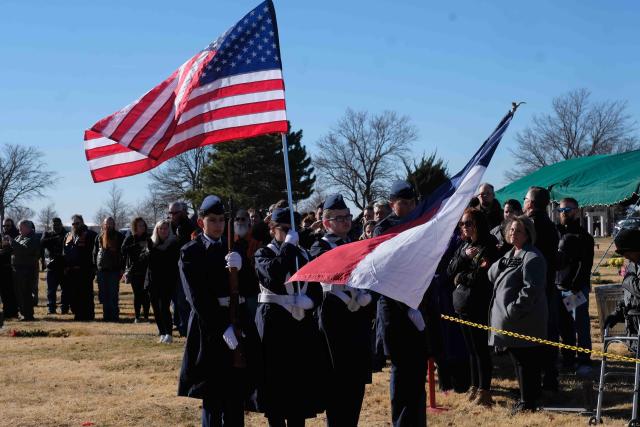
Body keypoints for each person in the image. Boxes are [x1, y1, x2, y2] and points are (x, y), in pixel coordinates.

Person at [178, 195, 261, 427]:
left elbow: (251, 289)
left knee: (236, 398)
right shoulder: (191, 252)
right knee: (213, 399)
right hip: (210, 330)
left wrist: (243, 267)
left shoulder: (235, 248)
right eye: (212, 220)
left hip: (237, 323)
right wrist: (222, 327)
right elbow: (197, 298)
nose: (218, 225)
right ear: (201, 222)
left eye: (221, 220)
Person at [255, 207, 327, 426]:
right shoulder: (263, 253)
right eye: (284, 230)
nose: (289, 234)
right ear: (272, 229)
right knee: (276, 389)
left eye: (292, 230)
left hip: (300, 325)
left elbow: (315, 287)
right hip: (274, 324)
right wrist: (287, 246)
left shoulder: (304, 254)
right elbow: (273, 275)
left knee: (298, 391)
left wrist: (312, 301)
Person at [311, 194, 373, 427]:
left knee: (355, 384)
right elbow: (327, 270)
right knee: (337, 385)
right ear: (326, 223)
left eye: (348, 216)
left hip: (356, 316)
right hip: (333, 316)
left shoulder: (354, 243)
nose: (346, 221)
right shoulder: (320, 244)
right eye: (339, 218)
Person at [374, 181, 429, 427]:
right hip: (395, 310)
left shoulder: (421, 224)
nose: (407, 207)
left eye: (410, 202)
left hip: (418, 305)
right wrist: (407, 307)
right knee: (401, 372)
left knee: (418, 373)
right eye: (402, 203)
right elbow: (386, 273)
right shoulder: (383, 230)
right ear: (391, 204)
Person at [488, 215, 548, 413]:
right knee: (519, 361)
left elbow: (531, 290)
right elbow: (490, 275)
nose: (513, 233)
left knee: (526, 362)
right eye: (511, 230)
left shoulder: (532, 257)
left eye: (518, 230)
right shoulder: (512, 254)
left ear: (528, 234)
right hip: (512, 320)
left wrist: (513, 310)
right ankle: (525, 397)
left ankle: (528, 402)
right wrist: (502, 261)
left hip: (524, 320)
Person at [447, 208, 499, 406]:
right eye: (462, 224)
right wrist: (464, 259)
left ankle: (485, 389)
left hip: (478, 303)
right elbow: (449, 270)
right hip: (461, 304)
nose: (464, 227)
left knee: (481, 349)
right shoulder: (463, 246)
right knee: (470, 348)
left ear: (478, 224)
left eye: (468, 223)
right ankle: (474, 385)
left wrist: (460, 277)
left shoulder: (488, 245)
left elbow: (481, 277)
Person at [524, 186, 560, 391]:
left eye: (525, 199)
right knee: (548, 332)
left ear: (530, 203)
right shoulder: (549, 224)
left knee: (537, 333)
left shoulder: (532, 224)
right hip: (548, 283)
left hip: (535, 284)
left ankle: (541, 379)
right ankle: (550, 376)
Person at [555, 198, 594, 374]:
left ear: (576, 211)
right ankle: (568, 358)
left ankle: (584, 359)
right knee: (564, 327)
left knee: (580, 325)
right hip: (558, 287)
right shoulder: (556, 233)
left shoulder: (583, 236)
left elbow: (585, 264)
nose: (564, 213)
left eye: (568, 209)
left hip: (574, 289)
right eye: (561, 210)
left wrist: (576, 285)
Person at [145, 219, 180, 343]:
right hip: (152, 280)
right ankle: (162, 332)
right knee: (155, 307)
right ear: (157, 230)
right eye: (161, 228)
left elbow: (167, 259)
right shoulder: (151, 243)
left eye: (166, 228)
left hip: (167, 280)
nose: (163, 231)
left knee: (164, 307)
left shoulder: (173, 243)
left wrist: (153, 252)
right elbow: (146, 260)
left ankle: (169, 334)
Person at [603, 228, 640, 333]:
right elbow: (631, 297)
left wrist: (628, 279)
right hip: (634, 329)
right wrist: (617, 313)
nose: (625, 256)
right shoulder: (633, 265)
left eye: (626, 252)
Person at [169, 201, 196, 336]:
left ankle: (186, 329)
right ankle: (180, 325)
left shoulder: (190, 226)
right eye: (171, 213)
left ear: (182, 212)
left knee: (183, 300)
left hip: (186, 267)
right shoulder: (169, 227)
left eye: (175, 212)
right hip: (173, 268)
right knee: (176, 300)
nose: (173, 215)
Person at [64, 215, 96, 321]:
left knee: (86, 295)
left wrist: (93, 268)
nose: (75, 225)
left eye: (77, 223)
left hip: (85, 270)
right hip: (71, 271)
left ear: (82, 222)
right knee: (74, 295)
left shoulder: (91, 235)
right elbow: (64, 252)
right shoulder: (68, 235)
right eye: (73, 223)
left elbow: (94, 253)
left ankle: (89, 316)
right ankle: (77, 315)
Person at [232, 209, 261, 321]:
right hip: (236, 289)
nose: (239, 221)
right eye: (237, 219)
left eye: (243, 219)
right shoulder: (230, 241)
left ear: (249, 221)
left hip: (252, 289)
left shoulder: (256, 241)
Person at [94, 217, 124, 322]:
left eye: (111, 223)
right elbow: (95, 253)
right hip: (101, 270)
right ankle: (106, 316)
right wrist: (95, 269)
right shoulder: (99, 236)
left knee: (113, 293)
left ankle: (115, 316)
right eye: (107, 223)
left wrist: (122, 268)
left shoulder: (119, 236)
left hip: (114, 270)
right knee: (103, 294)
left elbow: (123, 254)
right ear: (103, 225)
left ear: (114, 224)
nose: (108, 225)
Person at [9, 220, 41, 320]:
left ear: (27, 228)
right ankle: (23, 313)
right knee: (19, 293)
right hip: (17, 269)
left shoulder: (33, 238)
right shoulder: (19, 237)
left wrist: (12, 241)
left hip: (27, 269)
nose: (19, 230)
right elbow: (13, 250)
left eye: (21, 228)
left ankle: (28, 315)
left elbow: (24, 250)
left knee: (26, 293)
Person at [122, 217, 152, 323]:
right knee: (137, 294)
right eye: (140, 225)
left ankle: (146, 316)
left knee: (146, 294)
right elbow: (123, 250)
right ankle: (137, 316)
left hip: (147, 270)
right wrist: (137, 245)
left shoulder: (149, 238)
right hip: (134, 270)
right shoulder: (130, 238)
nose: (142, 227)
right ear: (135, 227)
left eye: (143, 225)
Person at [41, 218, 68, 314]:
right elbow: (42, 243)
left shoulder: (67, 234)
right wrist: (55, 238)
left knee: (65, 289)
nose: (56, 226)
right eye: (54, 225)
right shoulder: (47, 234)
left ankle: (64, 308)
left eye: (57, 224)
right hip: (51, 265)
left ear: (61, 224)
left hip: (63, 265)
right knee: (51, 289)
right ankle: (51, 308)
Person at [0, 218, 19, 318]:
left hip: (12, 267)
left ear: (12, 226)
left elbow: (17, 250)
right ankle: (6, 312)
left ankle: (13, 312)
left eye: (8, 226)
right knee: (4, 292)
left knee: (12, 292)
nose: (6, 228)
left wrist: (10, 243)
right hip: (3, 267)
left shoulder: (16, 236)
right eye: (4, 226)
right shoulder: (1, 236)